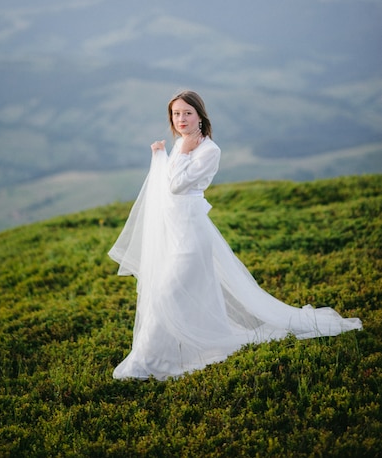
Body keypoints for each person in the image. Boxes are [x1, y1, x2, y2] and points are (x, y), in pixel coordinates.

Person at [108, 91, 362, 381]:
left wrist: (178, 153)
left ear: (200, 116)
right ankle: (164, 353)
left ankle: (153, 360)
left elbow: (177, 186)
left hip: (191, 234)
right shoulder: (182, 144)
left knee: (169, 291)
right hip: (173, 230)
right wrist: (161, 156)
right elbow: (166, 184)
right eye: (176, 114)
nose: (181, 119)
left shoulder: (207, 150)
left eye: (187, 113)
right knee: (181, 294)